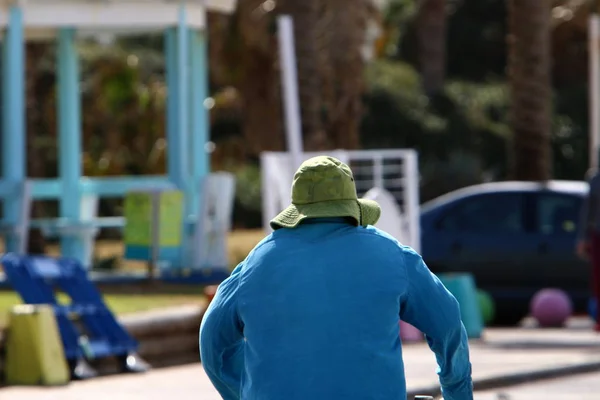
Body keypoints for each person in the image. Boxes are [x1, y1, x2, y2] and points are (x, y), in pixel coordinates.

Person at [199, 156, 473, 400]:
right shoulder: (392, 255)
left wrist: (244, 391)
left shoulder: (256, 262)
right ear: (351, 208)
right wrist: (457, 392)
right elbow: (448, 324)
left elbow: (212, 343)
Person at [576, 168, 600, 332]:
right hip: (598, 234)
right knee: (598, 277)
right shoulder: (596, 179)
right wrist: (582, 238)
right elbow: (587, 210)